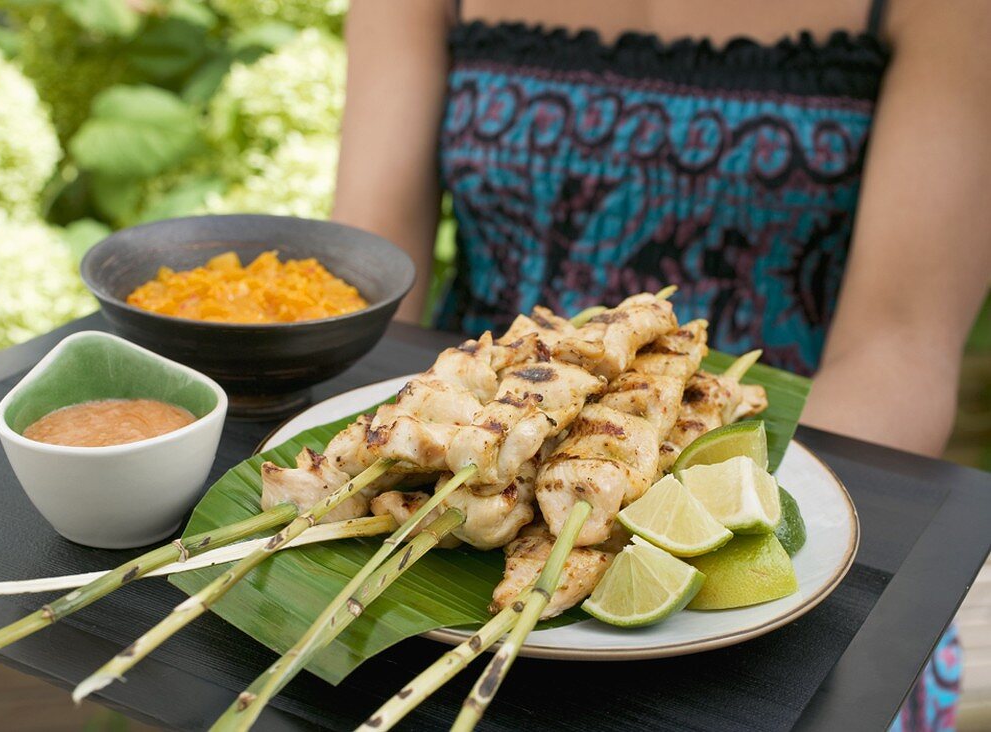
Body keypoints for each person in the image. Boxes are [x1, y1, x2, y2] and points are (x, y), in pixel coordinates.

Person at [332, 2, 988, 729]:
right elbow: (377, 287)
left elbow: (899, 346)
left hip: (758, 489)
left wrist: (714, 513)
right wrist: (438, 445)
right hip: (485, 431)